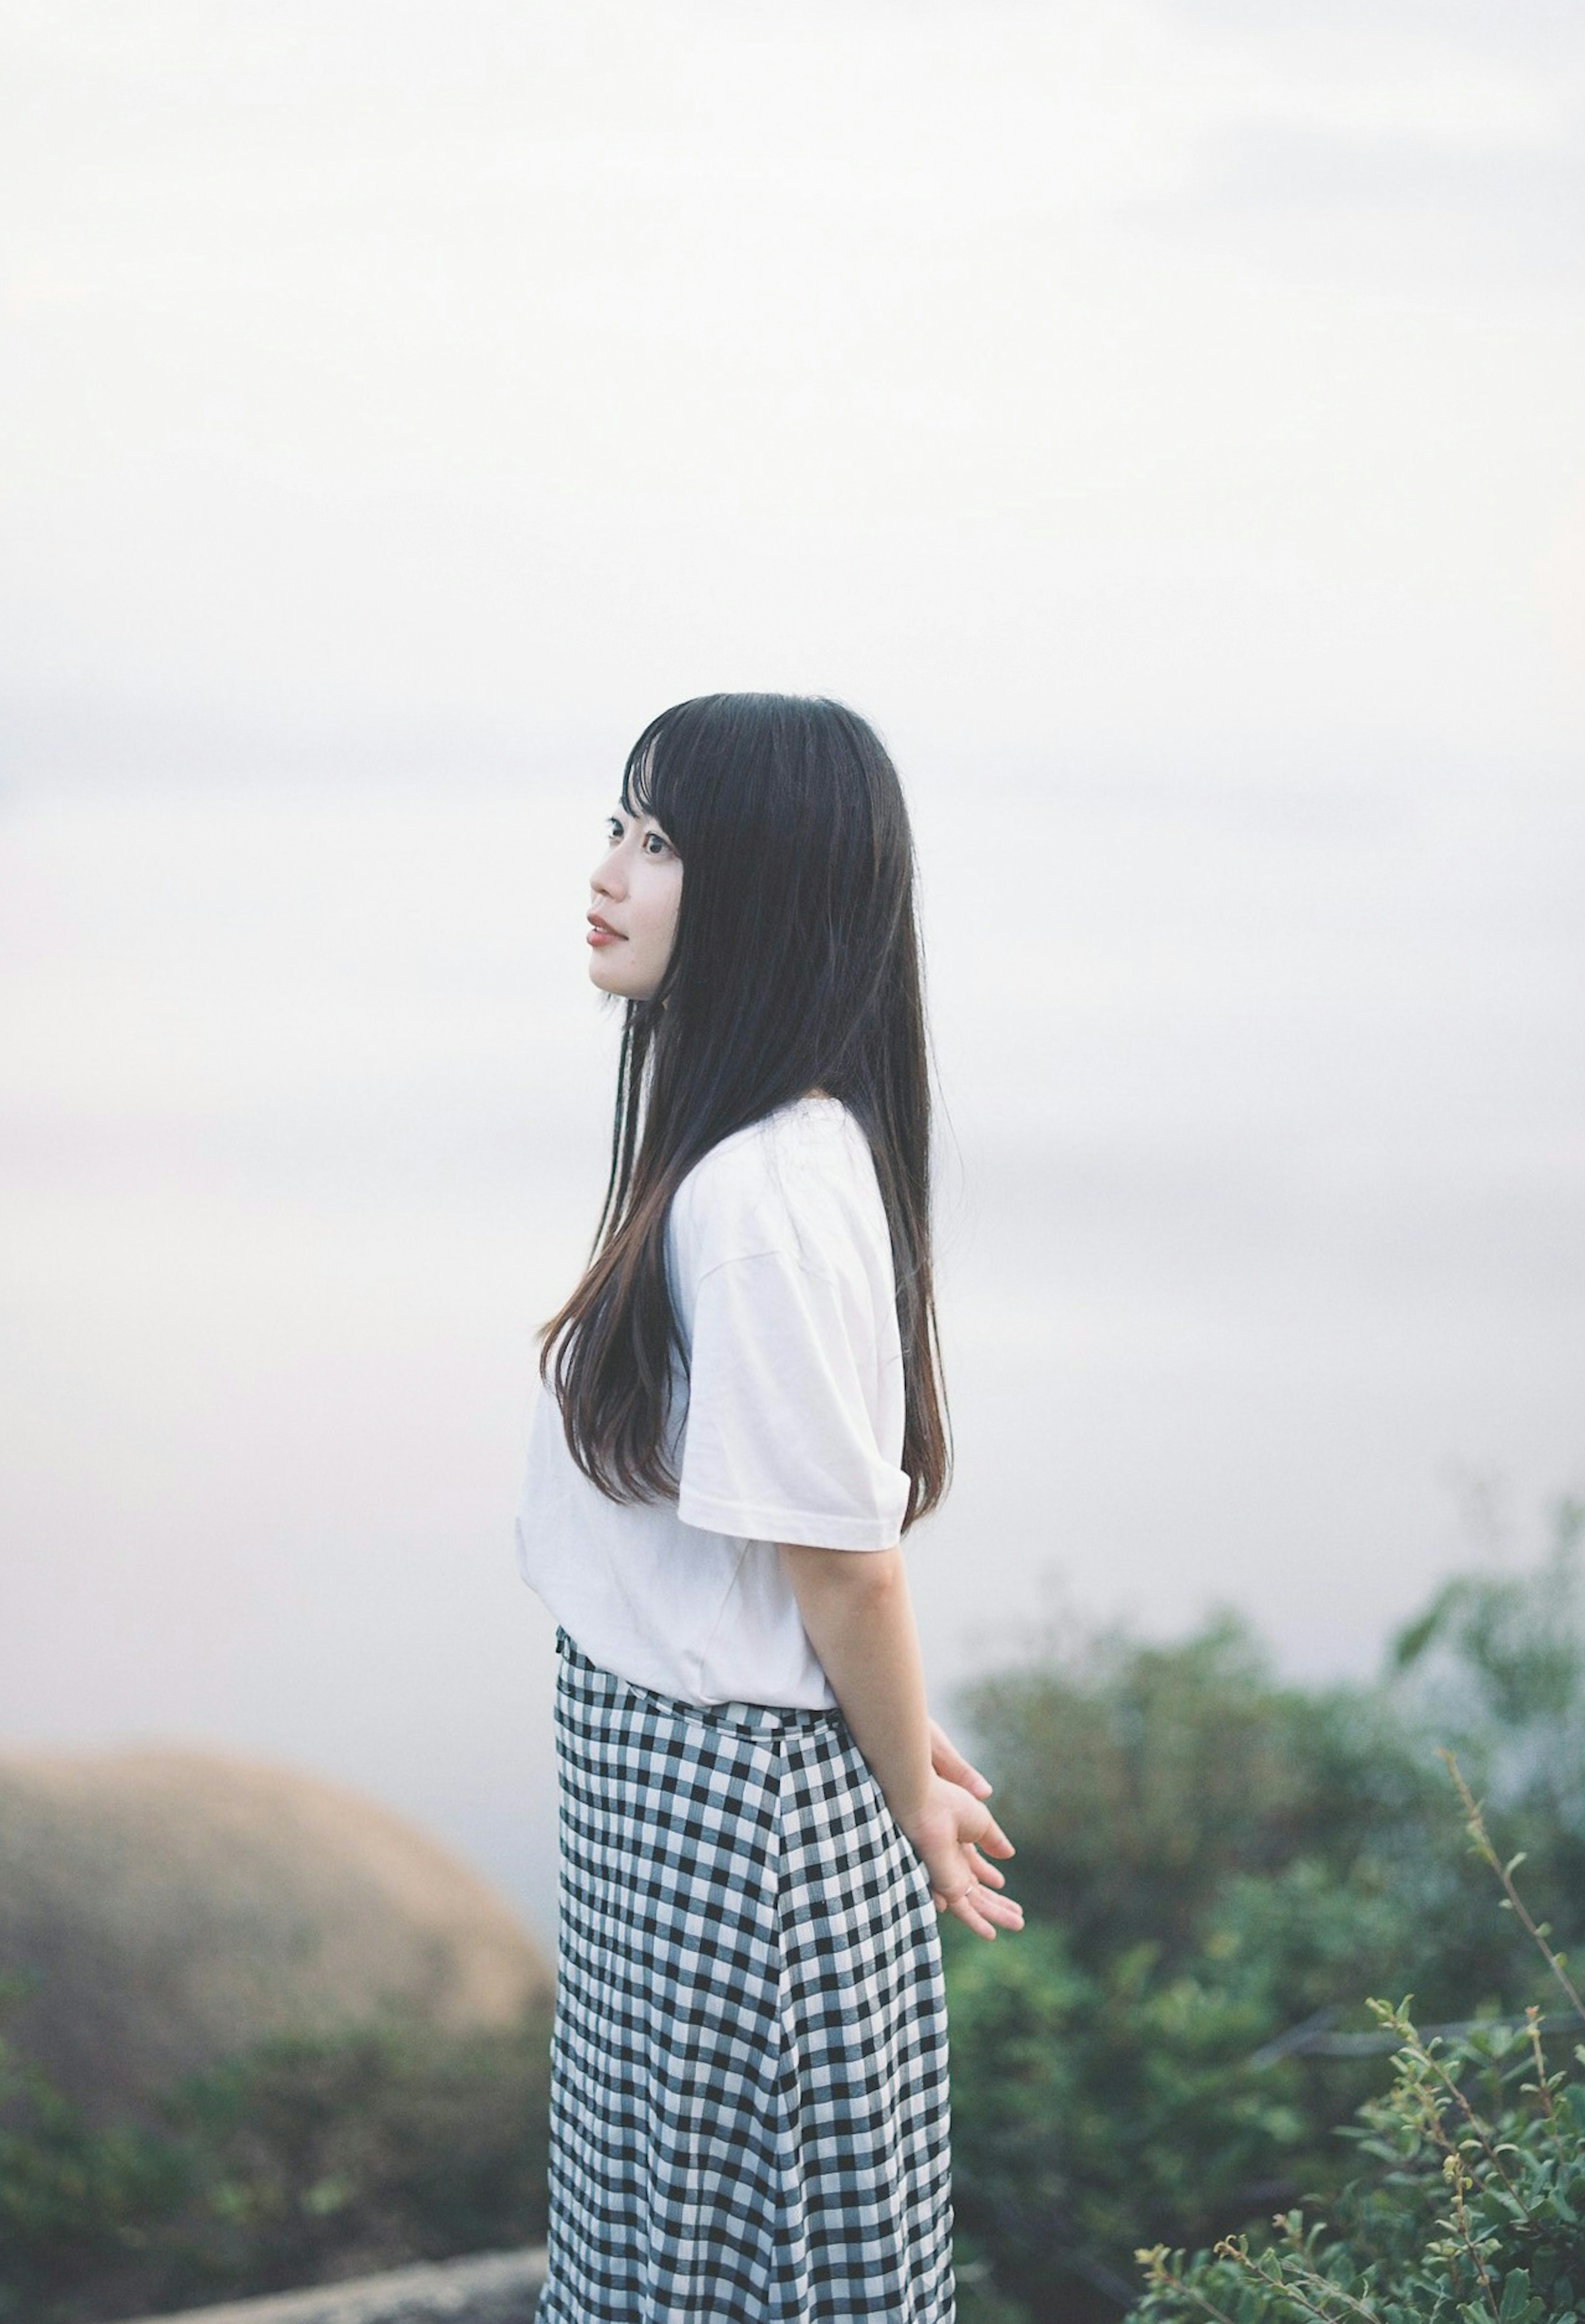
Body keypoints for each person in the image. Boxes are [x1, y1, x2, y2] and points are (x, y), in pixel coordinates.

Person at [515, 692, 1022, 2324]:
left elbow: (845, 1569)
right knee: (667, 2251)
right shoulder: (748, 1148)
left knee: (733, 2270)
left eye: (663, 846)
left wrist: (910, 1781)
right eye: (620, 826)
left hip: (733, 1824)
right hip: (662, 1788)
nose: (611, 872)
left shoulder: (759, 1195)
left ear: (773, 899)